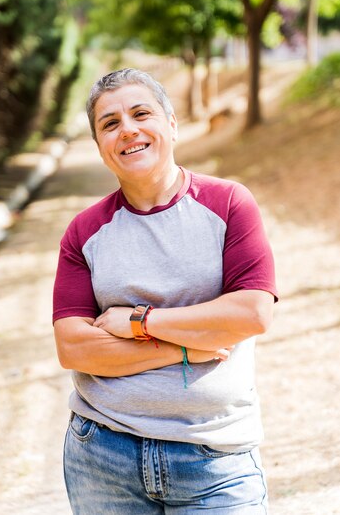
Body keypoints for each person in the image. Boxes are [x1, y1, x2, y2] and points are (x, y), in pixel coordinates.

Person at [52, 68, 277, 514]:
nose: (128, 129)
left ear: (171, 124)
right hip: (103, 456)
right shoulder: (84, 232)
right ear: (100, 146)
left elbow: (251, 314)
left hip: (215, 458)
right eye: (110, 123)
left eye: (141, 113)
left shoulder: (230, 204)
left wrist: (138, 322)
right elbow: (74, 348)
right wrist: (187, 349)